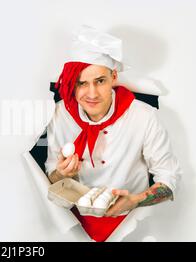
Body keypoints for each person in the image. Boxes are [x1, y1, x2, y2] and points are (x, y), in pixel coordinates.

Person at [44, 26, 182, 242]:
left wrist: (136, 200)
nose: (92, 94)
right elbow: (51, 175)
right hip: (74, 224)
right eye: (82, 83)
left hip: (132, 223)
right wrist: (62, 174)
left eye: (100, 81)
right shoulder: (60, 113)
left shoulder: (143, 116)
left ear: (114, 77)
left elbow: (169, 177)